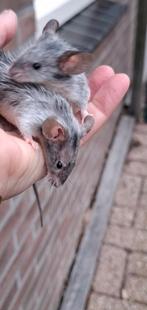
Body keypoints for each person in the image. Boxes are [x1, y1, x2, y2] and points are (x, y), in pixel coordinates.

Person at [0, 10, 130, 200]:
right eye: (59, 166)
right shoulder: (48, 115)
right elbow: (26, 114)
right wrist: (26, 135)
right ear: (55, 132)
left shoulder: (66, 98)